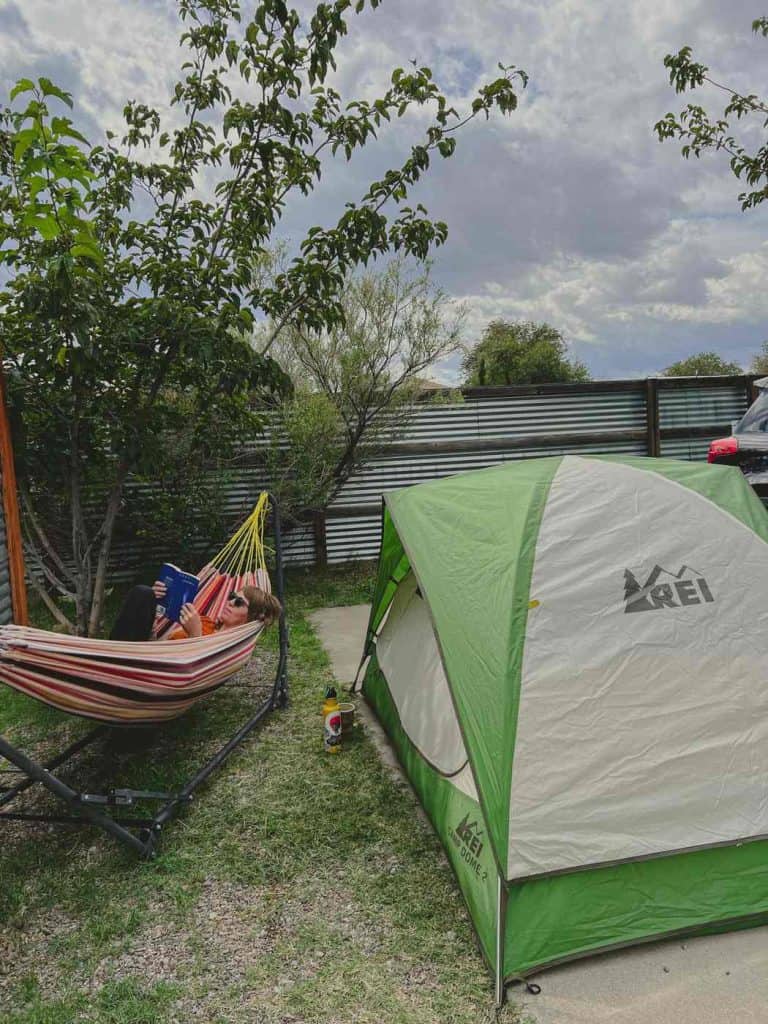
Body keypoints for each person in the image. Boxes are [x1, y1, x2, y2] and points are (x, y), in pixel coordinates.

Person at [109, 579, 281, 642]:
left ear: (253, 617)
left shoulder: (229, 644)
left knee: (142, 593)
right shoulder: (204, 622)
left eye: (238, 602)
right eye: (231, 596)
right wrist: (151, 631)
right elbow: (161, 649)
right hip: (147, 659)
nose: (229, 602)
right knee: (145, 595)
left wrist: (195, 636)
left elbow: (196, 673)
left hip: (157, 678)